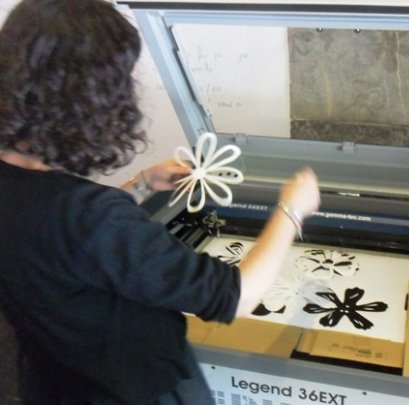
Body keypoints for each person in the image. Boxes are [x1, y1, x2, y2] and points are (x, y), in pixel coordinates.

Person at [0, 0, 320, 404]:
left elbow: (64, 238)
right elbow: (238, 294)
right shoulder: (92, 217)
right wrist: (291, 209)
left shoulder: (39, 196)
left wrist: (142, 184)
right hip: (132, 388)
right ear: (88, 100)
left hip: (55, 379)